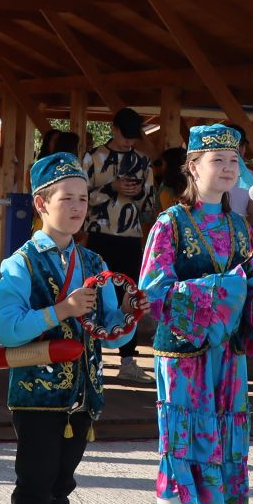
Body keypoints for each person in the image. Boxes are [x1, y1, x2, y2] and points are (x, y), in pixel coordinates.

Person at [137, 124, 253, 504]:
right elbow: (153, 292)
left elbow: (250, 284)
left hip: (226, 356)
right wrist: (226, 290)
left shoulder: (243, 227)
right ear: (193, 168)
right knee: (181, 451)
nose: (228, 168)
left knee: (212, 448)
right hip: (184, 354)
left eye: (234, 161)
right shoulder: (170, 224)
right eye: (217, 160)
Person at [0, 152, 133, 504]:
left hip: (82, 395)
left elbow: (115, 330)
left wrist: (129, 313)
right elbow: (8, 330)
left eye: (83, 199)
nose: (76, 207)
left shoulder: (93, 259)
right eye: (66, 198)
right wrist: (62, 310)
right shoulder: (20, 264)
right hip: (37, 397)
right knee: (33, 486)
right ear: (40, 203)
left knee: (62, 487)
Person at [83, 107, 154, 379]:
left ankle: (127, 360)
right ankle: (91, 354)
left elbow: (148, 203)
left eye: (133, 137)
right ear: (113, 129)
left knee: (130, 296)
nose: (129, 142)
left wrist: (136, 194)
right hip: (98, 235)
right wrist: (111, 189)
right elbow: (79, 195)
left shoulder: (143, 161)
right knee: (94, 294)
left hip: (130, 236)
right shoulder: (93, 158)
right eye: (125, 136)